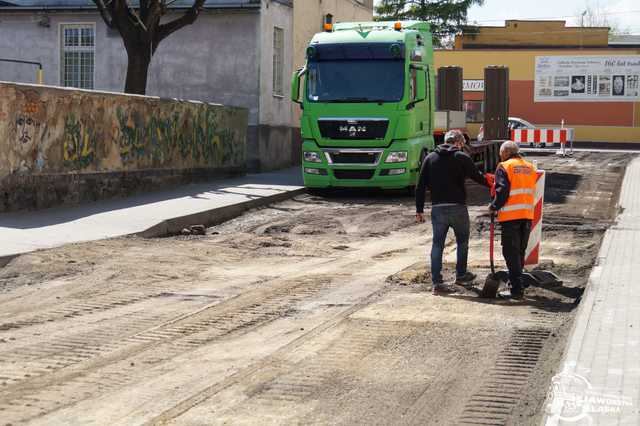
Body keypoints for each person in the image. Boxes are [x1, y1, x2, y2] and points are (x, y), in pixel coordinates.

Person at [416, 130, 490, 294]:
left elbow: (420, 185)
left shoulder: (430, 158)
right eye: (462, 144)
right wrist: (494, 186)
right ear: (458, 143)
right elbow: (477, 176)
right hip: (458, 207)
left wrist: (419, 209)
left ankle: (437, 282)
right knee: (462, 243)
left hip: (438, 208)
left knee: (437, 245)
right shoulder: (462, 157)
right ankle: (461, 275)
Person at [489, 141, 537, 299]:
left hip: (511, 217)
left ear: (505, 153)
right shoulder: (530, 167)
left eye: (501, 154)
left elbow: (502, 190)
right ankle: (515, 283)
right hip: (527, 216)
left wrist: (494, 206)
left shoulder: (505, 166)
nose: (500, 156)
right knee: (519, 253)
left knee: (510, 253)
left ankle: (517, 290)